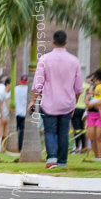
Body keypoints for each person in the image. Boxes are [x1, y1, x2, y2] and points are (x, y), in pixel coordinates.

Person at [30, 30, 82, 169]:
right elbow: (78, 88)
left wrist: (32, 101)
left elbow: (38, 83)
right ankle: (62, 162)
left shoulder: (44, 59)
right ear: (66, 42)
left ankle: (51, 158)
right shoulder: (74, 61)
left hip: (49, 103)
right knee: (63, 133)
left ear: (52, 42)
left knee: (50, 131)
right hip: (67, 104)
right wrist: (74, 104)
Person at [85, 68, 101, 161]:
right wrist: (89, 94)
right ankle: (96, 156)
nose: (94, 82)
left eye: (95, 80)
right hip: (91, 114)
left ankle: (100, 157)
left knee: (99, 136)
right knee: (92, 137)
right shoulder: (92, 88)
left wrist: (92, 104)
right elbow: (86, 101)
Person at [71, 75, 90, 154]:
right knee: (82, 128)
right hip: (84, 109)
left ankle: (77, 147)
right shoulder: (87, 86)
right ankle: (83, 147)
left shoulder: (72, 85)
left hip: (75, 108)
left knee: (76, 128)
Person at [14, 74, 29, 151]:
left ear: (20, 81)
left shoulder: (15, 89)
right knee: (22, 132)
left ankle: (14, 146)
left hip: (16, 113)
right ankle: (20, 147)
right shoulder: (29, 90)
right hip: (25, 113)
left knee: (15, 131)